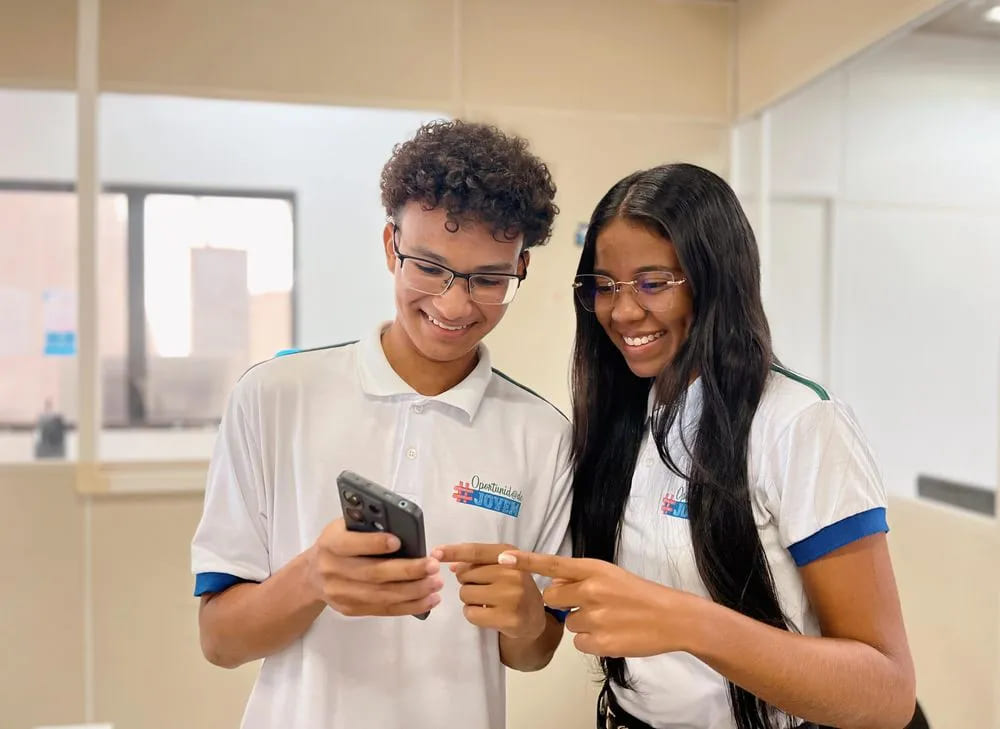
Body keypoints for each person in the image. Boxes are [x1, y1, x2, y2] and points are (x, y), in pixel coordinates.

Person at [498, 163, 916, 729]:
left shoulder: (800, 424)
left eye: (652, 283)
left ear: (716, 280)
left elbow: (887, 693)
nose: (622, 311)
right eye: (605, 286)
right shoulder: (621, 417)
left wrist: (691, 623)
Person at [191, 120, 571, 729]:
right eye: (429, 267)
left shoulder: (544, 438)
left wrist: (526, 619)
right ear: (391, 245)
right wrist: (311, 578)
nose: (453, 304)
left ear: (520, 267)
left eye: (489, 280)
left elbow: (533, 653)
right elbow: (220, 641)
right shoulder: (274, 398)